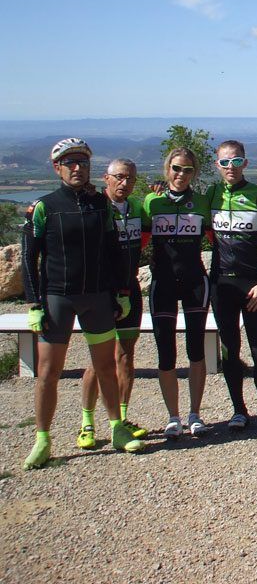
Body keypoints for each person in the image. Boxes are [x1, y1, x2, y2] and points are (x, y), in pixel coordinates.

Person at [21, 138, 142, 469]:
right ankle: (43, 439)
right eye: (70, 163)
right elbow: (28, 259)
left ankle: (116, 428)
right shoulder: (43, 207)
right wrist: (34, 303)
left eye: (83, 163)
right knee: (48, 372)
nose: (77, 168)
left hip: (97, 297)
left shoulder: (100, 206)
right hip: (57, 297)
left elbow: (114, 250)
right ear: (57, 168)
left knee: (106, 367)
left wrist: (121, 291)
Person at [206, 140, 257, 435]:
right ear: (217, 165)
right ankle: (238, 411)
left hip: (253, 287)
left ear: (245, 163)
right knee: (229, 349)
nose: (231, 167)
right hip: (222, 286)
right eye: (225, 162)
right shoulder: (211, 195)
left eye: (236, 161)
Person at [143, 147, 214, 438]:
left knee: (196, 349)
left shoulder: (201, 202)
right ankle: (173, 416)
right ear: (167, 169)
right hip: (163, 283)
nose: (180, 174)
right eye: (176, 168)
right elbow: (138, 238)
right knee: (166, 352)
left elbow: (216, 239)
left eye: (187, 169)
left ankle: (195, 414)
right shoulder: (152, 201)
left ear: (194, 173)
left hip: (195, 281)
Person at [78, 159, 147, 449]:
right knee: (100, 360)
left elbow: (144, 240)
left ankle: (121, 420)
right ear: (106, 178)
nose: (124, 183)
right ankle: (87, 423)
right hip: (102, 294)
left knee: (126, 358)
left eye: (130, 178)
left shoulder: (137, 208)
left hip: (130, 289)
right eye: (119, 177)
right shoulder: (95, 208)